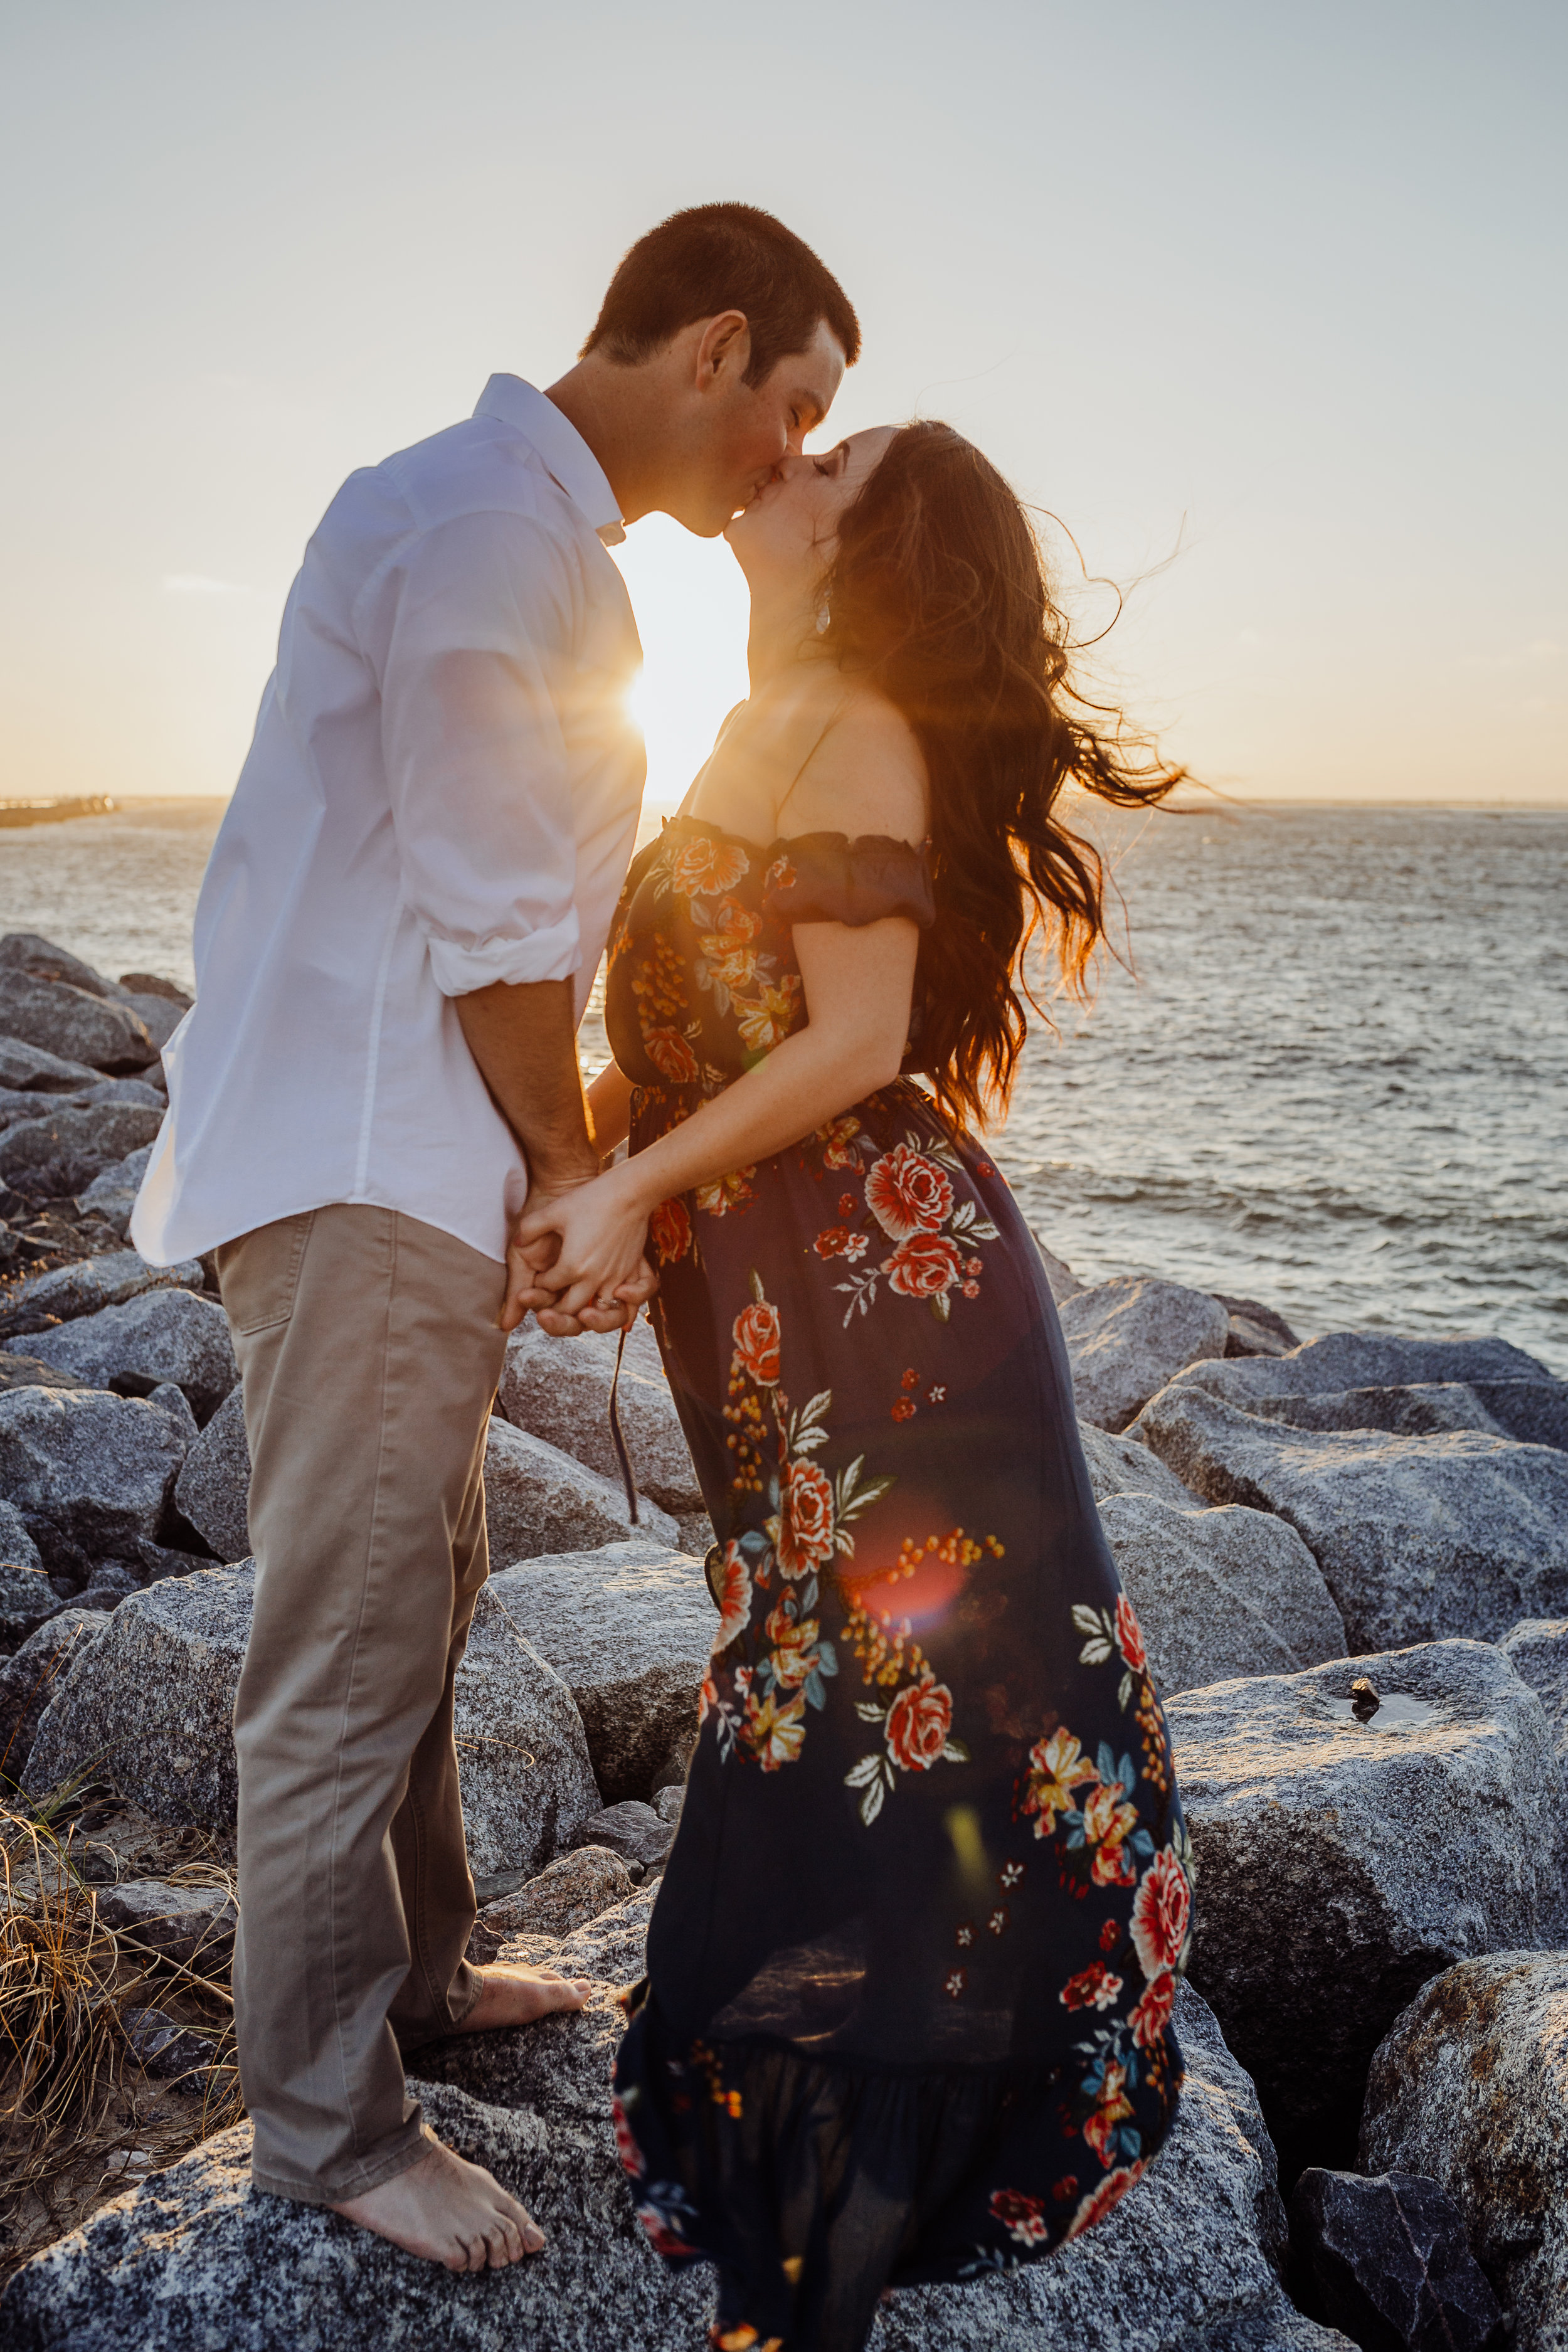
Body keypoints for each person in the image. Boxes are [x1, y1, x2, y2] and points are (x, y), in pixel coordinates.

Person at [129, 203, 861, 2273]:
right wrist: (572, 1171)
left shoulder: (515, 532)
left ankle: (424, 1977)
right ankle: (324, 2128)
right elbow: (480, 900)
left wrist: (590, 1138)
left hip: (407, 1168)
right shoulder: (477, 524)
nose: (786, 462)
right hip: (368, 1163)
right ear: (713, 346)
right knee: (348, 1646)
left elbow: (510, 888)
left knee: (428, 1587)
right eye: (793, 405)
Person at [514, 420, 1195, 2350]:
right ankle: (797, 2166)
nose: (786, 457)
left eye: (833, 459)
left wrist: (636, 1187)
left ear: (863, 542)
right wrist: (588, 1191)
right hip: (768, 1299)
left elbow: (858, 1038)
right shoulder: (758, 714)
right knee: (809, 1680)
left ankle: (852, 2193)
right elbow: (688, 1027)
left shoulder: (858, 717)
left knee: (906, 1699)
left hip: (892, 1297)